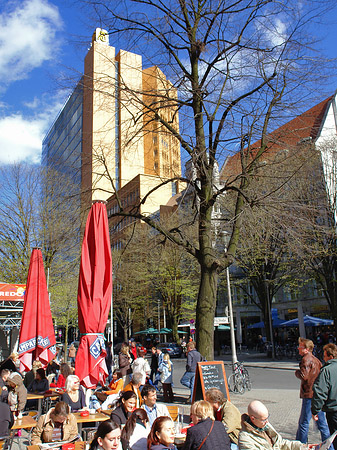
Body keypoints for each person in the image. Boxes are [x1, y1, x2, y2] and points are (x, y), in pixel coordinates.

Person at [295, 337, 330, 444]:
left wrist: (297, 372)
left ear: (306, 349)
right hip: (317, 394)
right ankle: (329, 443)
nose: (298, 349)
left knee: (304, 422)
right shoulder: (316, 359)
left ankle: (300, 444)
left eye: (300, 347)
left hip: (309, 394)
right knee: (321, 422)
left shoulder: (306, 359)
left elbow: (304, 376)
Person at [238, 400, 307, 450]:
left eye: (267, 417)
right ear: (253, 418)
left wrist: (301, 447)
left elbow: (280, 443)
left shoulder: (264, 425)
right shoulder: (245, 439)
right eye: (264, 420)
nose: (267, 421)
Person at [312, 343, 337, 449]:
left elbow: (320, 392)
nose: (323, 358)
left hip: (334, 410)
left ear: (330, 356)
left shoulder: (326, 371)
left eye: (324, 355)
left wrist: (315, 410)